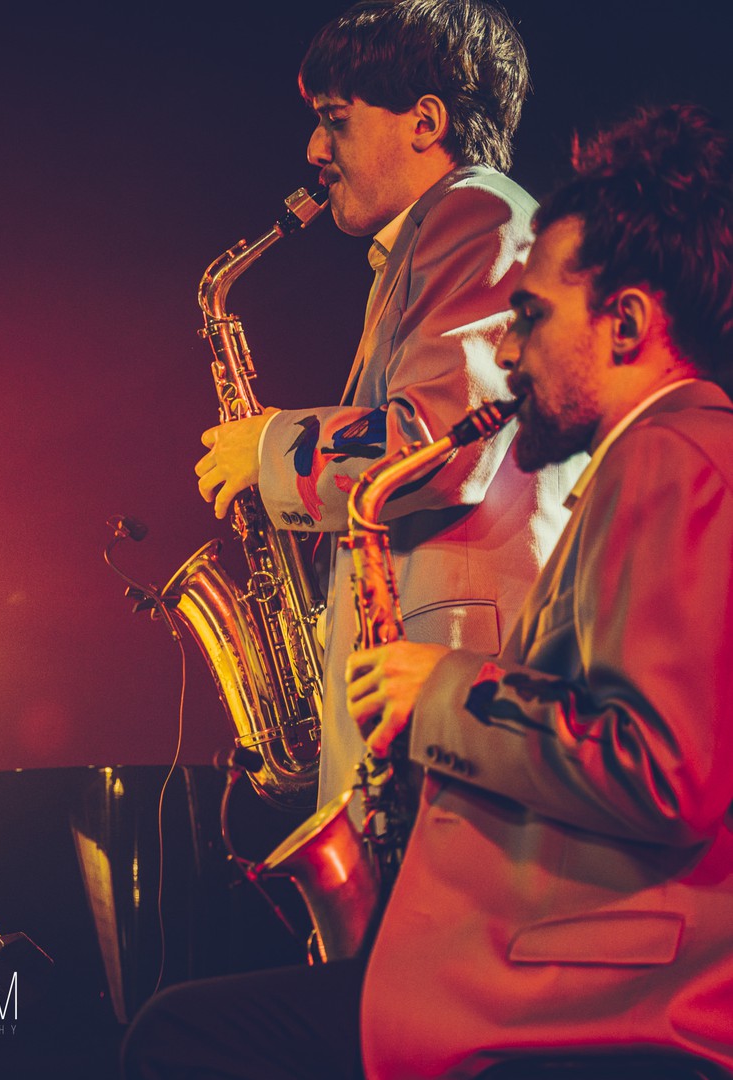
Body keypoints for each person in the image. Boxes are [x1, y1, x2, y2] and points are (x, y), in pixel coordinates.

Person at [125, 102, 733, 1079]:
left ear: (625, 323)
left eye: (530, 318)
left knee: (178, 1035)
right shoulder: (659, 459)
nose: (504, 354)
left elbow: (661, 769)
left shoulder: (672, 457)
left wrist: (439, 689)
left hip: (617, 1000)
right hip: (586, 968)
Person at [194, 0, 581, 809]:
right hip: (441, 696)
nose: (313, 149)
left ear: (425, 122)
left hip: (459, 695)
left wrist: (267, 449)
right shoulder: (427, 242)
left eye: (335, 119)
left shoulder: (476, 212)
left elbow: (441, 440)